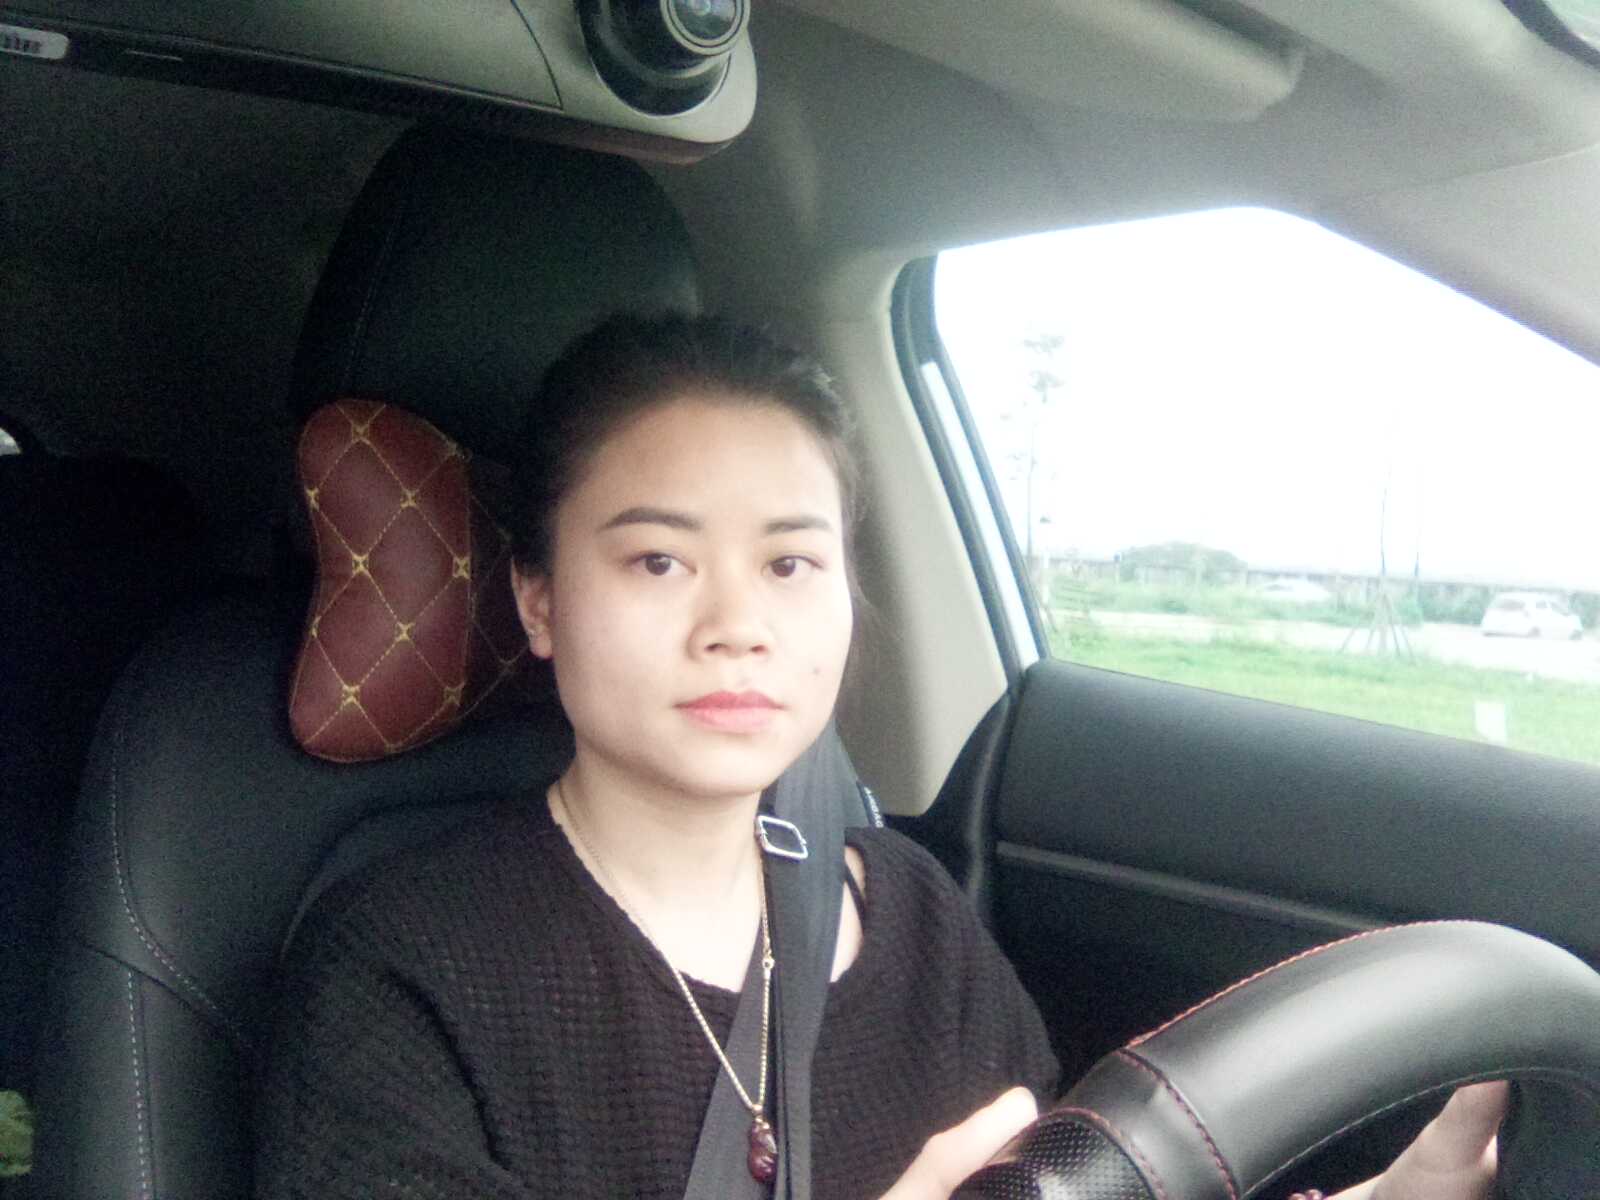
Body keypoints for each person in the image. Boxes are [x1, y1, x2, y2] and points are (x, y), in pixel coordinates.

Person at [254, 312, 1505, 1200]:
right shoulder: (401, 964)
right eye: (658, 560)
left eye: (790, 562)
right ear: (537, 600)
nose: (737, 623)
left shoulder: (911, 915)